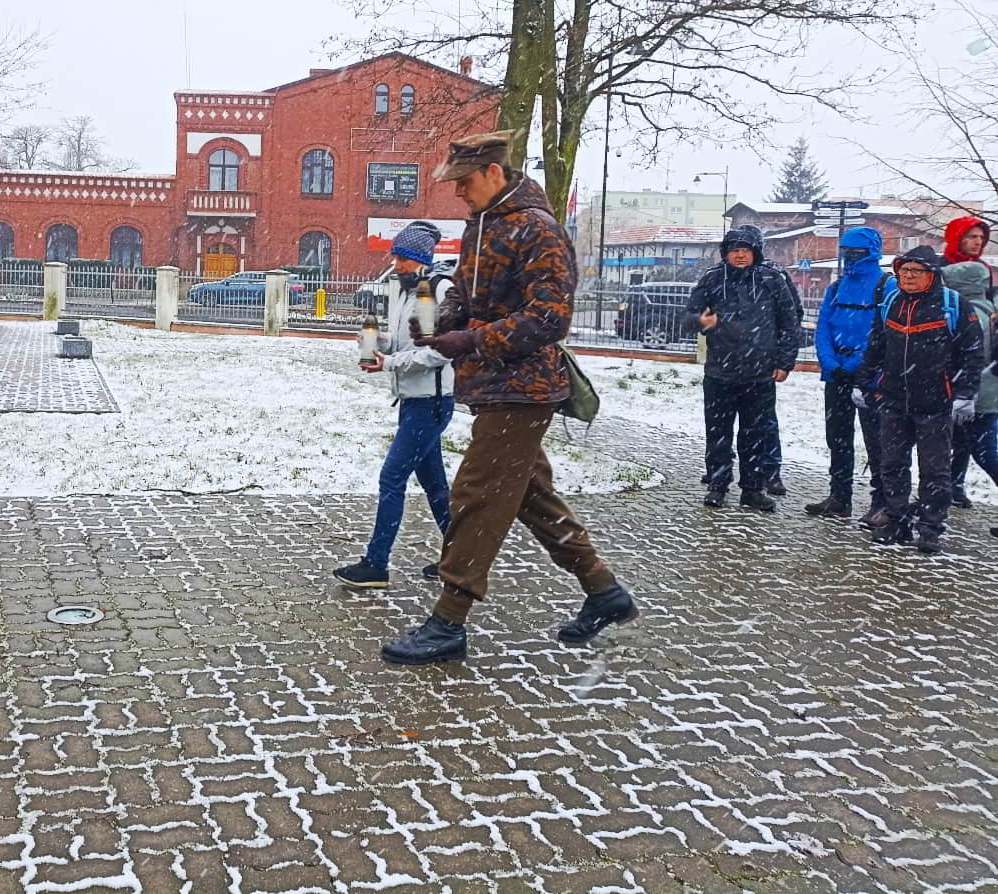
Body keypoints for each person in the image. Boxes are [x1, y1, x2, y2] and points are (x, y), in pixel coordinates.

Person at [380, 131, 636, 666]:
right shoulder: (482, 225)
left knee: (477, 494)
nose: (458, 193)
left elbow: (549, 318)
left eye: (465, 182)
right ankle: (603, 591)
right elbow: (467, 293)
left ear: (493, 173)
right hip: (493, 386)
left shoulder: (539, 230)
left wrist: (471, 339)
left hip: (525, 387)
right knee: (528, 493)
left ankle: (449, 620)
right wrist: (444, 319)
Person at [334, 221, 456, 588]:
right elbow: (408, 343)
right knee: (434, 483)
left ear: (419, 258)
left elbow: (437, 351)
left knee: (392, 477)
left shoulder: (437, 291)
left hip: (431, 402)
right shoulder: (405, 292)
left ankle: (376, 565)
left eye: (402, 257)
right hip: (412, 401)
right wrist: (379, 341)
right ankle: (461, 558)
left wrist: (390, 363)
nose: (395, 263)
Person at [853, 246, 985, 554]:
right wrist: (863, 381)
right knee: (892, 464)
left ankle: (930, 527)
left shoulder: (953, 305)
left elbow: (972, 354)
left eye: (916, 271)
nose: (908, 277)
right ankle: (897, 519)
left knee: (935, 470)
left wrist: (964, 394)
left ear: (932, 275)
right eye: (904, 270)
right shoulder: (890, 303)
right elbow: (875, 346)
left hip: (937, 402)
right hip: (894, 400)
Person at [685, 227, 800, 512]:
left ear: (755, 253)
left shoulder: (771, 279)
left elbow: (789, 322)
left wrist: (784, 362)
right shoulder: (712, 278)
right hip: (720, 373)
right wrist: (702, 322)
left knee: (754, 434)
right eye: (734, 249)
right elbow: (688, 316)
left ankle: (752, 489)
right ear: (725, 253)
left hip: (759, 374)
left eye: (745, 250)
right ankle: (717, 485)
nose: (739, 255)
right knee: (718, 433)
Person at [806, 227, 892, 523]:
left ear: (871, 252)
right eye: (847, 252)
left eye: (857, 252)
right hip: (836, 375)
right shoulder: (836, 287)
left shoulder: (885, 286)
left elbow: (883, 333)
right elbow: (823, 328)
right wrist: (829, 362)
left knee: (877, 442)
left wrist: (859, 364)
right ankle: (839, 496)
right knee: (837, 438)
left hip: (870, 378)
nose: (850, 257)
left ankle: (881, 502)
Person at [736, 224, 802, 497]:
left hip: (762, 360)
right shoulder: (723, 276)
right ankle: (721, 470)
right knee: (726, 419)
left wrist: (780, 354)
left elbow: (792, 314)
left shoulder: (774, 275)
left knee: (763, 420)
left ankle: (770, 470)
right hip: (730, 361)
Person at [943, 260, 998, 509]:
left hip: (976, 396)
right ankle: (945, 493)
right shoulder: (987, 308)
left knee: (986, 453)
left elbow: (972, 357)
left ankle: (937, 499)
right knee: (971, 448)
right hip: (984, 394)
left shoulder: (971, 313)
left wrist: (963, 391)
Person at [942, 215, 994, 294]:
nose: (978, 242)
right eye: (973, 237)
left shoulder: (984, 269)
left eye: (982, 238)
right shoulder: (937, 267)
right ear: (957, 238)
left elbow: (987, 300)